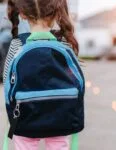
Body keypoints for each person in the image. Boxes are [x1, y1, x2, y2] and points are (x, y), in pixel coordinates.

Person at [3, 0, 83, 150]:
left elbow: (8, 82)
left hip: (25, 115)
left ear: (23, 15)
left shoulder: (18, 44)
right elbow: (76, 83)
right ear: (56, 13)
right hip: (61, 116)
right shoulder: (64, 43)